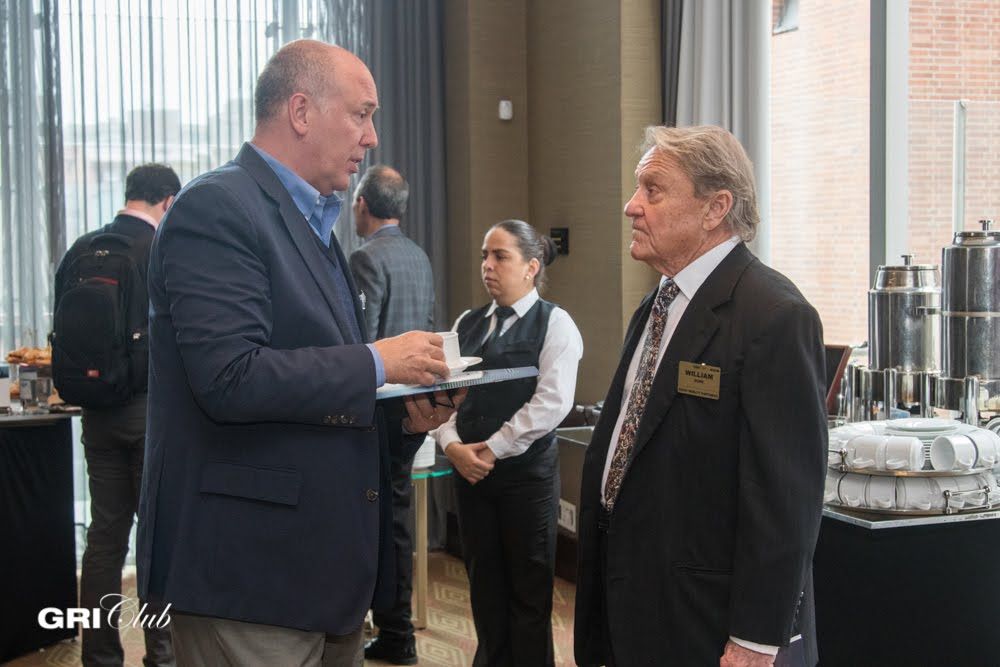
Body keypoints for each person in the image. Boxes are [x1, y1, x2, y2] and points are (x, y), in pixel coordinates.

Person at [137, 40, 457, 667]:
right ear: (302, 111)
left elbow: (315, 388)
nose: (372, 137)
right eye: (362, 114)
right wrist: (378, 362)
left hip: (319, 574)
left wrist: (403, 418)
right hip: (249, 576)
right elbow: (230, 377)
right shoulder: (217, 207)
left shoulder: (314, 223)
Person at [573, 125, 827, 667]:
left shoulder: (774, 316)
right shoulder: (657, 306)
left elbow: (785, 500)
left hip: (708, 625)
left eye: (652, 190)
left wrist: (755, 640)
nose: (631, 206)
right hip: (634, 604)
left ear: (715, 208)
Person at [434, 219, 583, 667]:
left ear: (531, 267)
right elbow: (444, 398)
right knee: (484, 587)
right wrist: (452, 446)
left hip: (526, 480)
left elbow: (552, 402)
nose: (488, 265)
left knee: (528, 593)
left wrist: (493, 448)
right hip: (470, 475)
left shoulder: (556, 323)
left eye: (500, 256)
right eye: (485, 255)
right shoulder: (468, 322)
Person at [54, 164, 180, 667]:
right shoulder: (162, 250)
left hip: (96, 414)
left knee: (104, 540)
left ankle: (99, 657)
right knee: (155, 539)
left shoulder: (81, 249)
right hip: (150, 414)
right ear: (168, 202)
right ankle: (161, 657)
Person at [348, 164, 434, 665]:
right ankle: (397, 631)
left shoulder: (365, 258)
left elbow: (363, 345)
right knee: (396, 516)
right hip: (414, 408)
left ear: (363, 204)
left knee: (376, 521)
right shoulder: (419, 256)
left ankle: (390, 630)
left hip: (376, 409)